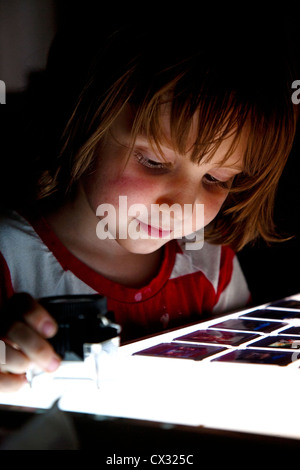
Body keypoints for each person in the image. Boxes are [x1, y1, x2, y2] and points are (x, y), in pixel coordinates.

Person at [0, 18, 297, 391]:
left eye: (215, 179)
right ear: (84, 123)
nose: (183, 205)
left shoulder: (212, 266)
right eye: (154, 162)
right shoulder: (8, 261)